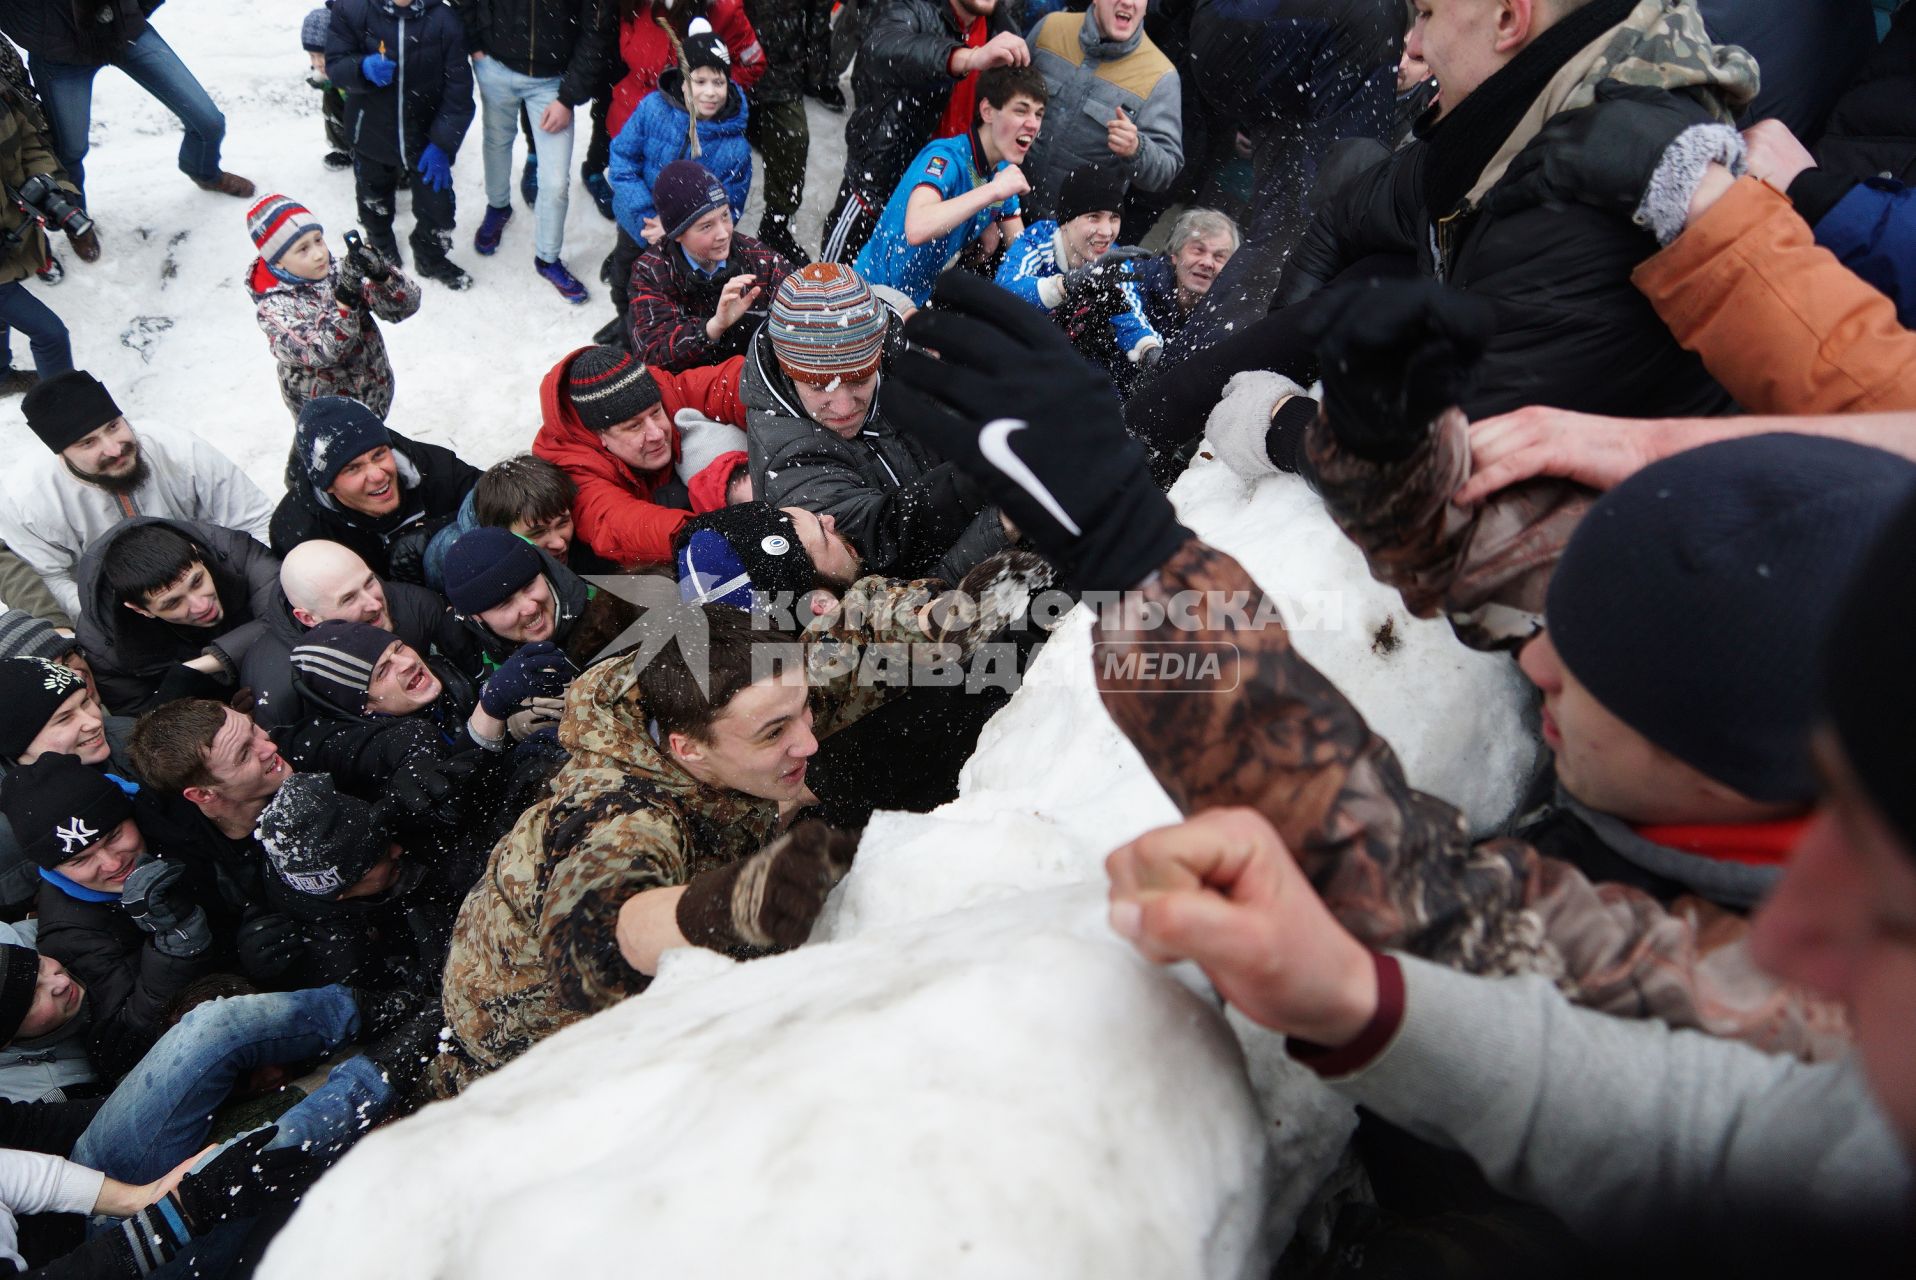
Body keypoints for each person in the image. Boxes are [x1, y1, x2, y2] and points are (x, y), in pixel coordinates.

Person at [881, 269, 1867, 1062]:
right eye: (1556, 630)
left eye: (1588, 672)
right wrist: (1376, 449)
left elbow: (1408, 897)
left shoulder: (1802, 1002)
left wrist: (1129, 557)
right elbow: (1535, 568)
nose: (1535, 659)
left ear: (1715, 764)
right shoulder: (1813, 676)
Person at [1099, 494, 1916, 1270]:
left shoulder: (1771, 991)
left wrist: (1127, 552)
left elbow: (1434, 908)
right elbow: (1716, 1129)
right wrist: (1358, 998)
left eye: (1896, 918)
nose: (1534, 656)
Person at [434, 533, 1040, 1094]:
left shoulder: (727, 686)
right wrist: (726, 906)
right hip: (531, 1049)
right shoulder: (619, 808)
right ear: (688, 751)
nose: (807, 742)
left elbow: (844, 644)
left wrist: (939, 618)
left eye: (802, 715)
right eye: (777, 733)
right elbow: (595, 935)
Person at [1131, 0, 1758, 487]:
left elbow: (1447, 500)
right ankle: (1126, 442)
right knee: (1365, 274)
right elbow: (1360, 209)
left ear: (1509, 19)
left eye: (1427, 13)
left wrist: (1278, 425)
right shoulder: (1511, 132)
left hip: (1608, 573)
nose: (1411, 42)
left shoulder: (1580, 214)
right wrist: (1294, 323)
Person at [746, 263, 1010, 582]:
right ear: (789, 374)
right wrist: (995, 473)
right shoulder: (787, 459)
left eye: (859, 379)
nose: (843, 406)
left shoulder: (900, 364)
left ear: (878, 356)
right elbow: (882, 543)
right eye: (819, 386)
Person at [3, 754, 215, 1080]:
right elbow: (121, 1045)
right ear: (52, 870)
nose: (112, 864)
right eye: (81, 859)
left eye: (114, 836)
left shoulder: (173, 812)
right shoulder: (72, 934)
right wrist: (174, 948)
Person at [1, 371, 275, 619]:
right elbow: (49, 579)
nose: (114, 448)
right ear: (61, 453)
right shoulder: (27, 500)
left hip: (211, 585)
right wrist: (120, 619)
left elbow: (254, 520)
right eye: (88, 443)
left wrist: (258, 591)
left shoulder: (177, 448)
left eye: (113, 426)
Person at [822, 0, 1030, 264]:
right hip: (883, 177)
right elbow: (883, 48)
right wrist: (966, 57)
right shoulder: (913, 7)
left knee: (897, 295)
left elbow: (1001, 127)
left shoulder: (1003, 32)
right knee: (828, 285)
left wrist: (990, 210)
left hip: (944, 197)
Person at [0, 0, 254, 200]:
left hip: (125, 31)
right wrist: (39, 37)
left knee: (208, 121)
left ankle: (204, 171)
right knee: (70, 150)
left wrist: (134, 10)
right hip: (60, 57)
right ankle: (76, 218)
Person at [532, 344, 747, 568]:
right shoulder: (571, 464)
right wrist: (714, 536)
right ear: (599, 435)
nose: (656, 433)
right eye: (634, 426)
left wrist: (777, 384)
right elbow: (618, 525)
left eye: (656, 412)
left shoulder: (657, 389)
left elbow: (729, 384)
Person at [454, 0, 613, 302]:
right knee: (496, 142)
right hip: (495, 67)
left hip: (552, 84)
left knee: (554, 182)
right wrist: (475, 46)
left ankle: (547, 257)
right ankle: (498, 206)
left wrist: (568, 98)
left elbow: (596, 31)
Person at [854, 63, 1045, 306]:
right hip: (869, 293)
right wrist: (992, 192)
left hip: (913, 304)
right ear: (987, 111)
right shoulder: (947, 158)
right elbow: (917, 227)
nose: (1033, 124)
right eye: (1021, 111)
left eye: (1038, 114)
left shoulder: (1001, 173)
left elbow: (1021, 251)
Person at [244, 539, 482, 734]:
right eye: (348, 599)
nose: (374, 603)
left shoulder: (417, 607)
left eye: (369, 582)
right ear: (307, 618)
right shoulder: (279, 689)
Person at [324, 0, 477, 290]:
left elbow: (459, 91)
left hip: (425, 135)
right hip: (371, 130)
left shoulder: (445, 20)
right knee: (374, 199)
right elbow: (335, 64)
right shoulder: (353, 9)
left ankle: (430, 255)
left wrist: (442, 143)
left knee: (439, 209)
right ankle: (380, 245)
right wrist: (361, 69)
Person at [72, 518, 280, 717]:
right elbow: (145, 724)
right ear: (140, 609)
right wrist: (221, 714)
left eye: (197, 581)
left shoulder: (232, 550)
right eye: (173, 602)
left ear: (196, 553)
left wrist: (206, 663)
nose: (201, 605)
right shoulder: (103, 645)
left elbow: (289, 610)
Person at [246, 193, 425, 421]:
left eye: (318, 240)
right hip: (328, 416)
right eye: (303, 249)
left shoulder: (338, 270)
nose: (319, 254)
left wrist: (383, 276)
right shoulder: (273, 310)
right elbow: (323, 351)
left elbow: (403, 308)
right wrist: (345, 299)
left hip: (373, 393)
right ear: (278, 260)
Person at [268, 395, 481, 585]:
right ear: (328, 485)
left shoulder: (433, 467)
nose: (378, 475)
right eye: (353, 468)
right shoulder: (299, 534)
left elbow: (505, 501)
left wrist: (431, 533)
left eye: (379, 454)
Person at [1020, 0, 1182, 219]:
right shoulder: (1049, 28)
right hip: (1005, 206)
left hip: (1070, 232)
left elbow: (1165, 172)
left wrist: (1137, 149)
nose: (1128, 2)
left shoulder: (1160, 77)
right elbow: (1000, 108)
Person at [625, 159, 792, 370]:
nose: (723, 233)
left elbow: (801, 310)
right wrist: (713, 328)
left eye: (725, 215)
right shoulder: (651, 272)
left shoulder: (759, 259)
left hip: (751, 379)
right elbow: (653, 353)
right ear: (678, 234)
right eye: (706, 226)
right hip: (691, 392)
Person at [995, 164, 1163, 372]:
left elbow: (1130, 317)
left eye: (1114, 218)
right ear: (1065, 221)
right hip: (1010, 351)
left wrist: (1149, 350)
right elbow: (1003, 290)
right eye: (1094, 217)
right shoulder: (1038, 241)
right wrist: (1066, 284)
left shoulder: (1115, 260)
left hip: (1061, 365)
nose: (1107, 231)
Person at [0, 655, 130, 912]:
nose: (93, 722)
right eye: (64, 718)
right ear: (17, 744)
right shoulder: (7, 832)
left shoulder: (133, 742)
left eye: (85, 702)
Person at [607, 28, 752, 250]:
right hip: (637, 226)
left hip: (687, 246)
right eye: (700, 81)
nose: (710, 92)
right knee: (624, 273)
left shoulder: (735, 149)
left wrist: (675, 227)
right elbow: (622, 160)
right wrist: (646, 216)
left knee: (668, 284)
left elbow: (728, 207)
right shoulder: (653, 109)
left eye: (718, 82)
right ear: (683, 81)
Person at [0, 37, 88, 400]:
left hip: (12, 236)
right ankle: (68, 418)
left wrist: (55, 189)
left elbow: (31, 144)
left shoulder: (4, 95)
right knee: (50, 334)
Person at [437, 525, 639, 672]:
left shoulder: (608, 612)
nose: (530, 608)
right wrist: (502, 719)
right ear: (477, 617)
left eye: (529, 586)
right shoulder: (459, 647)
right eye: (505, 603)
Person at [738, 0, 815, 263]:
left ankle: (775, 224)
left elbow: (819, 13)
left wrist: (817, 73)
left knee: (793, 138)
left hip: (783, 68)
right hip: (727, 65)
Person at [302, 6, 352, 171]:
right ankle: (343, 149)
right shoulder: (326, 71)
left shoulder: (354, 63)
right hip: (342, 98)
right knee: (331, 107)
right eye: (312, 56)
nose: (317, 63)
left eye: (322, 55)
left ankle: (394, 166)